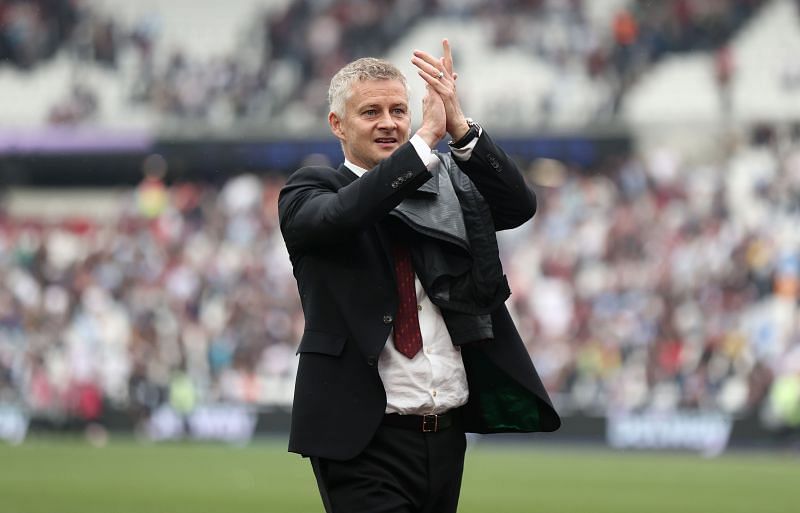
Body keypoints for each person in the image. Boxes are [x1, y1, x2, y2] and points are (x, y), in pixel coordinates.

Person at [278, 39, 560, 513]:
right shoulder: (310, 190)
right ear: (337, 125)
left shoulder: (442, 184)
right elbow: (349, 213)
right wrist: (423, 144)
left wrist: (460, 128)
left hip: (444, 435)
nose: (388, 123)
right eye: (371, 112)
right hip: (359, 438)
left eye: (398, 110)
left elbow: (518, 205)